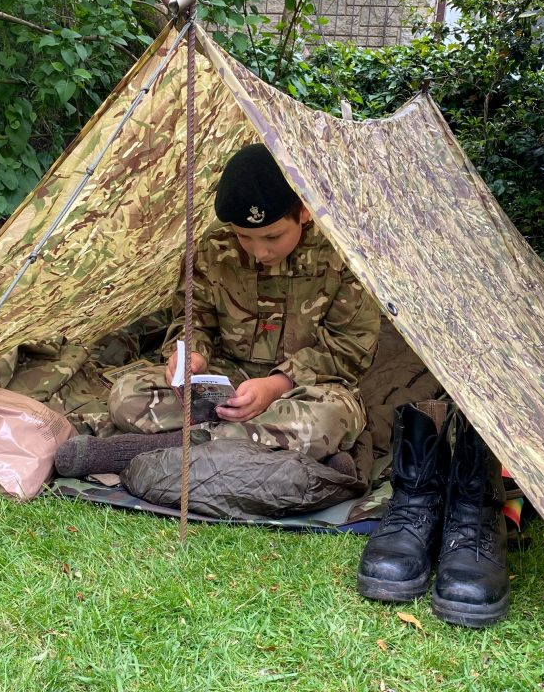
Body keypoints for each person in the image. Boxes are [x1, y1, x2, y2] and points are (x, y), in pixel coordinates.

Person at [54, 143, 380, 477]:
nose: (259, 252)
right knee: (127, 395)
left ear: (305, 210)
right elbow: (192, 320)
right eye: (244, 237)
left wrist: (276, 386)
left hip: (305, 390)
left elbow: (349, 349)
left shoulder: (345, 257)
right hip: (228, 383)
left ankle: (143, 450)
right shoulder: (213, 249)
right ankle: (297, 456)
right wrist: (191, 355)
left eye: (272, 236)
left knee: (328, 420)